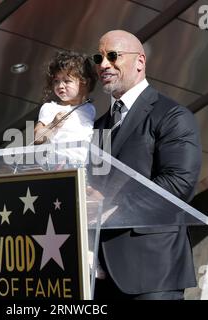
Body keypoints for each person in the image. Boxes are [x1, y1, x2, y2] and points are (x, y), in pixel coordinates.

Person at [92, 30, 202, 300]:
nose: (104, 64)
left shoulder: (172, 115)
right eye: (99, 57)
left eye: (113, 56)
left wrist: (111, 208)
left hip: (154, 273)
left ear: (140, 62)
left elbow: (179, 183)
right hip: (100, 276)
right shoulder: (97, 127)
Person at [34, 51, 97, 165]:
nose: (60, 86)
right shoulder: (50, 108)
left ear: (84, 82)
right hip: (58, 163)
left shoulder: (89, 109)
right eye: (56, 81)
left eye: (67, 81)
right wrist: (53, 124)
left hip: (84, 165)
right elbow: (37, 138)